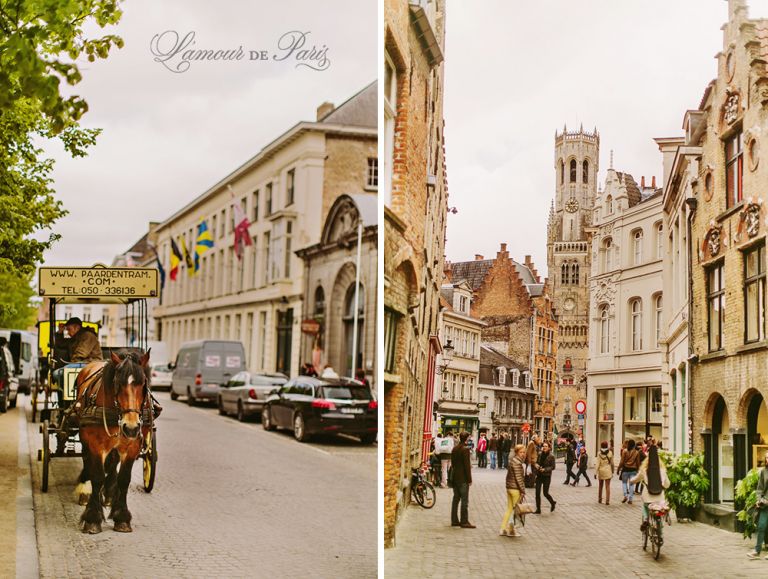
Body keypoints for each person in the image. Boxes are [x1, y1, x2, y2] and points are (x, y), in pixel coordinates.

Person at [630, 444, 669, 534]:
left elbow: (636, 479)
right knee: (659, 510)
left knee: (645, 506)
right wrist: (665, 486)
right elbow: (667, 483)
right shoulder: (662, 470)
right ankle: (660, 531)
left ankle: (646, 519)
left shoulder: (644, 470)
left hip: (648, 497)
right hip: (660, 498)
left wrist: (631, 481)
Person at [500, 444, 527, 537]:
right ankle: (512, 530)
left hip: (510, 488)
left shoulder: (513, 461)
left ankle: (503, 529)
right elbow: (519, 478)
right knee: (516, 512)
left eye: (524, 452)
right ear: (516, 452)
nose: (523, 454)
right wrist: (523, 491)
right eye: (521, 452)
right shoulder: (517, 463)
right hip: (515, 489)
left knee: (509, 509)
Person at [450, 431, 475, 528]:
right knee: (464, 500)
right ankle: (464, 521)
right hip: (463, 478)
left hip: (455, 476)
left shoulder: (455, 448)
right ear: (467, 438)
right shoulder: (465, 449)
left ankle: (454, 520)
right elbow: (467, 466)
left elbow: (453, 463)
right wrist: (469, 479)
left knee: (456, 499)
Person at [747, 449, 768, 559]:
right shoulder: (764, 471)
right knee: (761, 526)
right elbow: (759, 488)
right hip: (765, 504)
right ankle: (757, 551)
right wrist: (759, 499)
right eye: (767, 457)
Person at [534, 441, 556, 514]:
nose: (544, 447)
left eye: (546, 446)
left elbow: (553, 467)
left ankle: (552, 503)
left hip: (546, 476)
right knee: (537, 493)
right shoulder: (540, 454)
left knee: (545, 493)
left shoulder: (551, 456)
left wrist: (545, 469)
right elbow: (537, 462)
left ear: (549, 447)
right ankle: (538, 509)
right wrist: (536, 465)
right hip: (539, 476)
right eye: (543, 446)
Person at [617, 439, 641, 504]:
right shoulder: (636, 452)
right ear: (634, 445)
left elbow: (621, 461)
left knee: (624, 483)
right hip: (633, 470)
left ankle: (625, 495)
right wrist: (639, 470)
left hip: (625, 469)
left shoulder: (624, 451)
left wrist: (618, 469)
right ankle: (630, 499)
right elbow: (638, 462)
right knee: (631, 484)